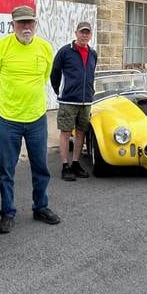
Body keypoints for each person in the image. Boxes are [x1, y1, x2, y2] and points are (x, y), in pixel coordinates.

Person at [0, 5, 60, 234]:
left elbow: (45, 76)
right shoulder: (0, 48)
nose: (26, 27)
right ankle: (8, 212)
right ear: (13, 25)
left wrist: (28, 103)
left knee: (41, 167)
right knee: (6, 169)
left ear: (35, 24)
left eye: (30, 22)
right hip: (8, 120)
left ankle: (40, 207)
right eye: (21, 23)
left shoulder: (45, 48)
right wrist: (8, 102)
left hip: (37, 118)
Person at [50, 21, 97, 181]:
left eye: (87, 33)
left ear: (90, 35)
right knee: (65, 132)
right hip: (68, 101)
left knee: (81, 132)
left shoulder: (93, 54)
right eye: (82, 32)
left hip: (86, 102)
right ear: (76, 33)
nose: (84, 35)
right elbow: (54, 75)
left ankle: (76, 163)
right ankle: (65, 166)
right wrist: (62, 92)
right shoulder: (65, 52)